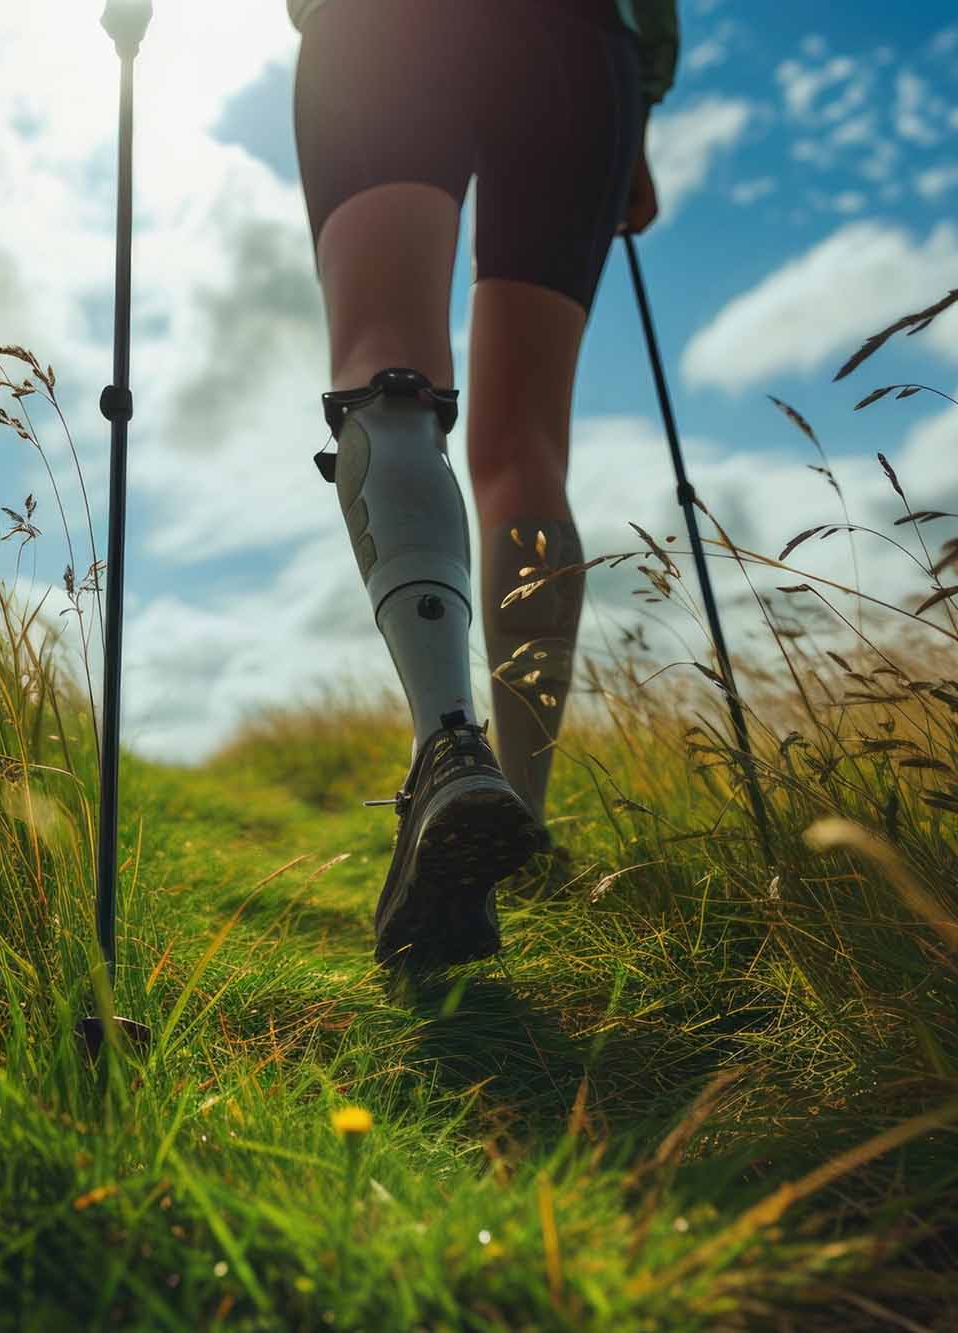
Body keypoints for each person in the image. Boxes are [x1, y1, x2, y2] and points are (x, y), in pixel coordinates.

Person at [289, 0, 677, 968]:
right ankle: (519, 817)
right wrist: (636, 107)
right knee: (524, 452)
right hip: (585, 49)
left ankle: (448, 749)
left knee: (388, 365)